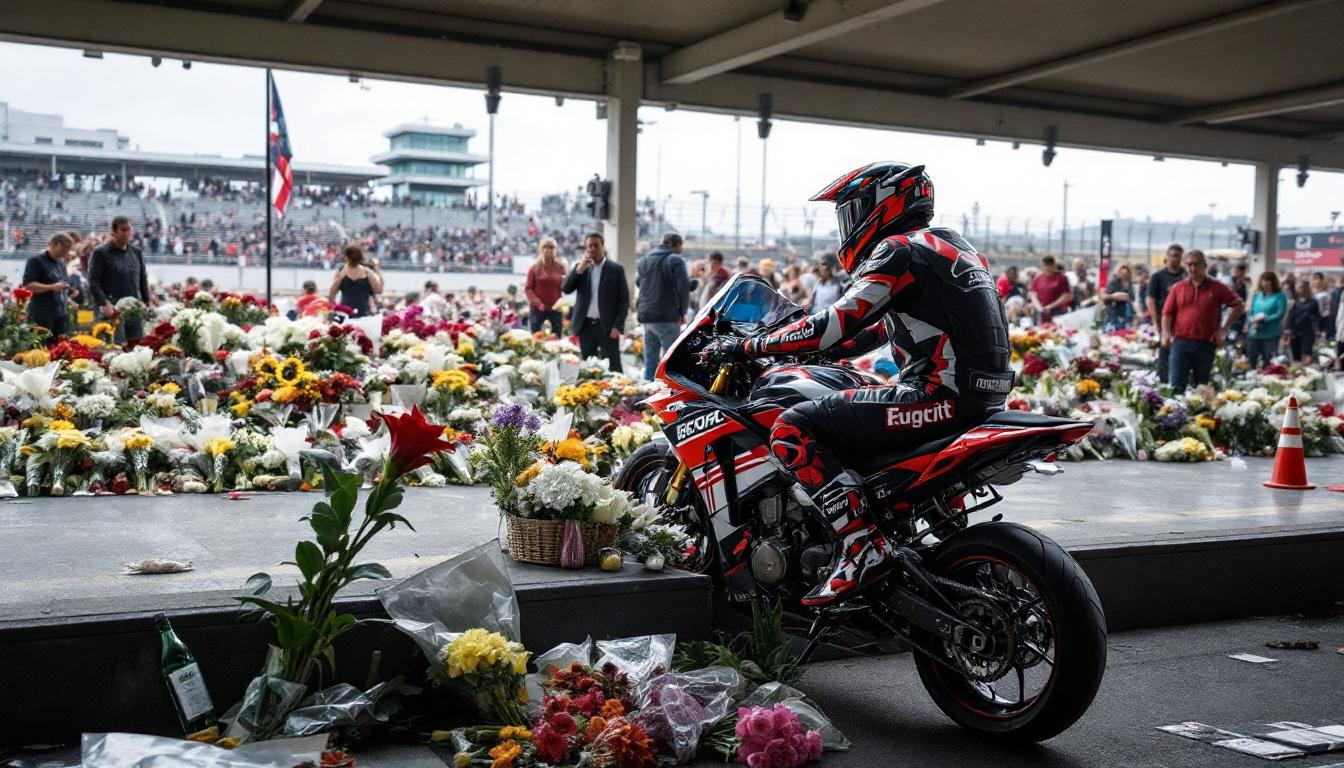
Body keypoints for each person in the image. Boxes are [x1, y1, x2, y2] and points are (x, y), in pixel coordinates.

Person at [705, 162, 1011, 606]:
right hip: (981, 397)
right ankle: (938, 538)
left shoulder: (897, 249)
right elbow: (881, 328)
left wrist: (747, 347)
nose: (847, 226)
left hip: (936, 396)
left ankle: (861, 544)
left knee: (792, 428)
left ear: (880, 206)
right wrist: (827, 352)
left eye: (851, 212)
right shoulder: (951, 246)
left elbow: (833, 323)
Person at [1161, 249, 1244, 391]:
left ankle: (1199, 413)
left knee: (1202, 387)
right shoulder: (1178, 288)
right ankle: (1176, 413)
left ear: (1204, 266)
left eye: (1196, 264)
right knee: (1176, 386)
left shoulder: (1217, 287)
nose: (1192, 268)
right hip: (1181, 343)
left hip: (1206, 344)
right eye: (1189, 265)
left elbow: (1238, 305)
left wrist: (1224, 329)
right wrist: (1165, 333)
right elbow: (1167, 313)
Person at [562, 232, 629, 372]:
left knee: (614, 367)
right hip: (585, 325)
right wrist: (578, 270)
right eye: (589, 246)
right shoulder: (581, 268)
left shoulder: (616, 269)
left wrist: (618, 326)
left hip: (608, 327)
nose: (592, 249)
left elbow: (624, 301)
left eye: (596, 245)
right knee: (588, 367)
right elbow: (566, 289)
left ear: (603, 247)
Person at [635, 233, 692, 381]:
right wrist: (682, 312)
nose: (681, 249)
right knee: (670, 362)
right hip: (666, 316)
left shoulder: (644, 260)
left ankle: (647, 394)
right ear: (674, 244)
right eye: (681, 246)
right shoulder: (676, 260)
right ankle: (667, 396)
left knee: (650, 360)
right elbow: (683, 287)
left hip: (646, 315)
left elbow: (639, 282)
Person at [89, 216, 152, 343]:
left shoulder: (136, 252)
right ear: (113, 232)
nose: (127, 233)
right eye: (123, 230)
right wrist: (103, 303)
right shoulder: (100, 253)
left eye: (129, 230)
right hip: (112, 308)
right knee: (114, 346)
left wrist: (147, 301)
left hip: (134, 308)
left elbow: (142, 279)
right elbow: (93, 281)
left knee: (136, 344)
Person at [1146, 245, 1187, 383]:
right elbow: (1151, 300)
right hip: (1164, 322)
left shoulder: (1186, 276)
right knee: (1165, 352)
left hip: (1183, 324)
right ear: (1167, 256)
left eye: (1178, 256)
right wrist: (1156, 322)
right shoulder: (1158, 277)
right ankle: (1163, 382)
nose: (1175, 259)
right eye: (1173, 255)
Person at [22, 232, 75, 336]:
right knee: (40, 349)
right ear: (56, 244)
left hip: (60, 314)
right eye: (65, 248)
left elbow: (61, 284)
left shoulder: (61, 263)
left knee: (60, 348)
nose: (67, 252)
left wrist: (69, 292)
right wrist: (51, 287)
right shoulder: (36, 261)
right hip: (42, 314)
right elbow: (28, 284)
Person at [524, 236, 568, 334]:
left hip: (556, 309)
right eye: (545, 247)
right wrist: (537, 303)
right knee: (536, 338)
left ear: (556, 250)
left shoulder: (561, 268)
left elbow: (565, 287)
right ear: (541, 250)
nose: (548, 250)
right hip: (537, 309)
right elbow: (528, 289)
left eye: (551, 248)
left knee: (556, 339)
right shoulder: (534, 268)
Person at [328, 244, 383, 317]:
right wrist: (340, 276)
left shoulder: (366, 271)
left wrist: (371, 273)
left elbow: (379, 290)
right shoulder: (341, 272)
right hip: (345, 313)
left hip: (363, 313)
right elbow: (332, 293)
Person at [1246, 271, 1286, 369]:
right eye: (1263, 280)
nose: (1265, 283)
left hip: (1270, 334)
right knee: (1251, 357)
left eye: (1267, 280)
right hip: (1255, 332)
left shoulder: (1279, 296)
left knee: (1268, 359)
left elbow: (1280, 313)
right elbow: (1251, 312)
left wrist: (1266, 319)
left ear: (1273, 282)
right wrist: (1252, 320)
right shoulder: (1257, 296)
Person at [1028, 255, 1071, 323]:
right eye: (1044, 265)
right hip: (1041, 312)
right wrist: (1037, 305)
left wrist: (1051, 306)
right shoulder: (1039, 277)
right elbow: (1032, 293)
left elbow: (1067, 295)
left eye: (1048, 265)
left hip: (1058, 312)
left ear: (1053, 265)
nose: (1045, 268)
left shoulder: (1062, 278)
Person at [1288, 280, 1320, 365]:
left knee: (1307, 355)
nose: (1298, 289)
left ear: (1306, 288)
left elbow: (1317, 318)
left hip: (1308, 332)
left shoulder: (1313, 302)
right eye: (1297, 288)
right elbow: (1290, 318)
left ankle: (1307, 373)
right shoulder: (1293, 302)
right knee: (1295, 356)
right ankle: (1297, 374)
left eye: (1300, 287)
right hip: (1295, 333)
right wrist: (1289, 331)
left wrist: (1317, 330)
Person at [1099, 262, 1135, 332]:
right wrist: (1115, 296)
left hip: (1126, 314)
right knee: (1113, 332)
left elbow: (1133, 298)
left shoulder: (1130, 284)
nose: (1124, 275)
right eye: (1122, 273)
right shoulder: (1113, 283)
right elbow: (1104, 296)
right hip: (1113, 313)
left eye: (1126, 273)